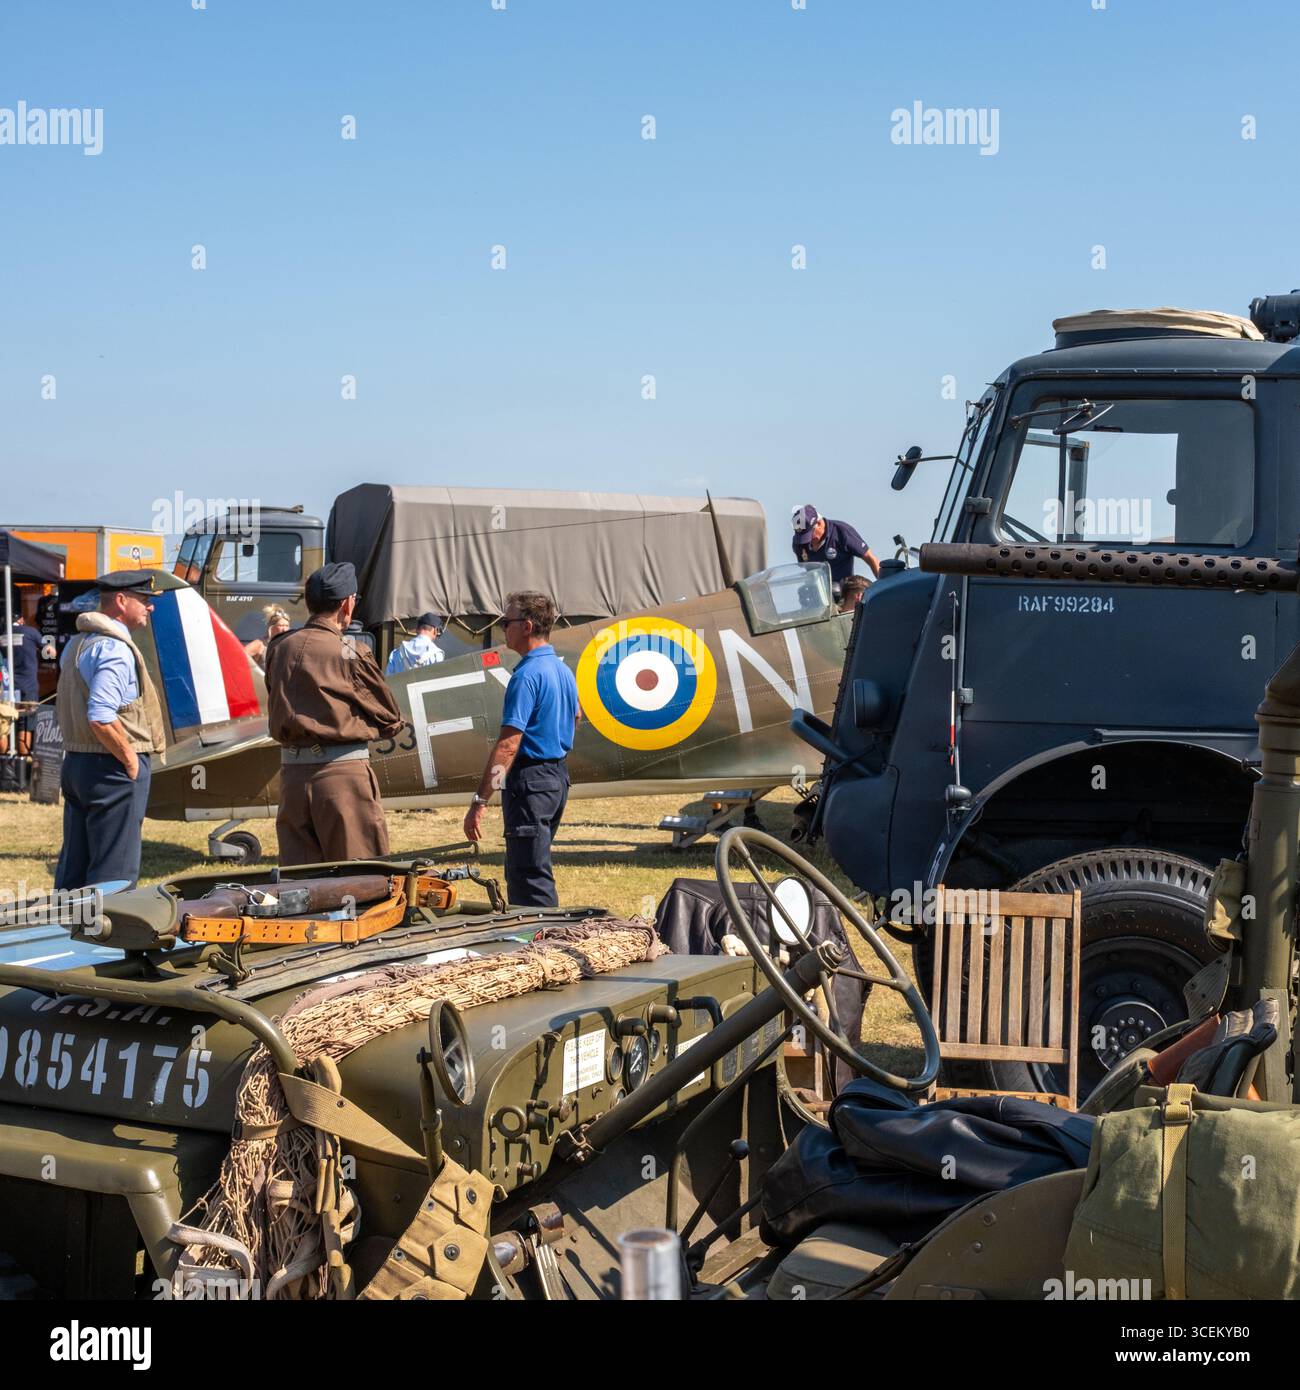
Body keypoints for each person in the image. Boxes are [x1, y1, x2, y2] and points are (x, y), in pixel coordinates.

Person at [264, 561, 407, 866]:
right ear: (346, 604)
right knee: (361, 880)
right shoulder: (350, 651)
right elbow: (389, 716)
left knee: (300, 888)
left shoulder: (280, 648)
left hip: (291, 778)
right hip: (342, 779)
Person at [463, 591, 579, 907]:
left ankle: (539, 945)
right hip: (556, 780)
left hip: (531, 784)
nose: (503, 628)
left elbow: (508, 746)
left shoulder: (526, 675)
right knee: (533, 867)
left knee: (529, 879)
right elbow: (577, 716)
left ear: (526, 626)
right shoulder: (563, 670)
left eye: (507, 621)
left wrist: (480, 799)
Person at [54, 571, 166, 891]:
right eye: (144, 600)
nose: (150, 607)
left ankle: (64, 934)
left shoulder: (78, 643)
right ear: (121, 601)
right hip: (111, 766)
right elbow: (101, 716)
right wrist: (131, 761)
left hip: (78, 761)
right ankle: (105, 939)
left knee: (74, 867)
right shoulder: (115, 648)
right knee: (114, 872)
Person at [791, 504, 881, 586]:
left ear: (819, 523)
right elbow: (807, 571)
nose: (807, 540)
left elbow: (870, 558)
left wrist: (883, 586)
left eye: (810, 534)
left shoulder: (842, 532)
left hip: (843, 595)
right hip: (818, 596)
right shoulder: (799, 543)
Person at [0, 612, 40, 755]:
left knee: (5, 724)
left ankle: (4, 763)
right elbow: (48, 650)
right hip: (28, 686)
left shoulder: (2, 636)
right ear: (21, 620)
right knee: (25, 724)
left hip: (7, 686)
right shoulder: (30, 632)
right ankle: (24, 763)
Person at [243, 604, 292, 670]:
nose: (285, 629)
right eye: (281, 625)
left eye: (287, 625)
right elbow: (238, 658)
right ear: (271, 627)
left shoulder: (289, 645)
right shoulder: (260, 644)